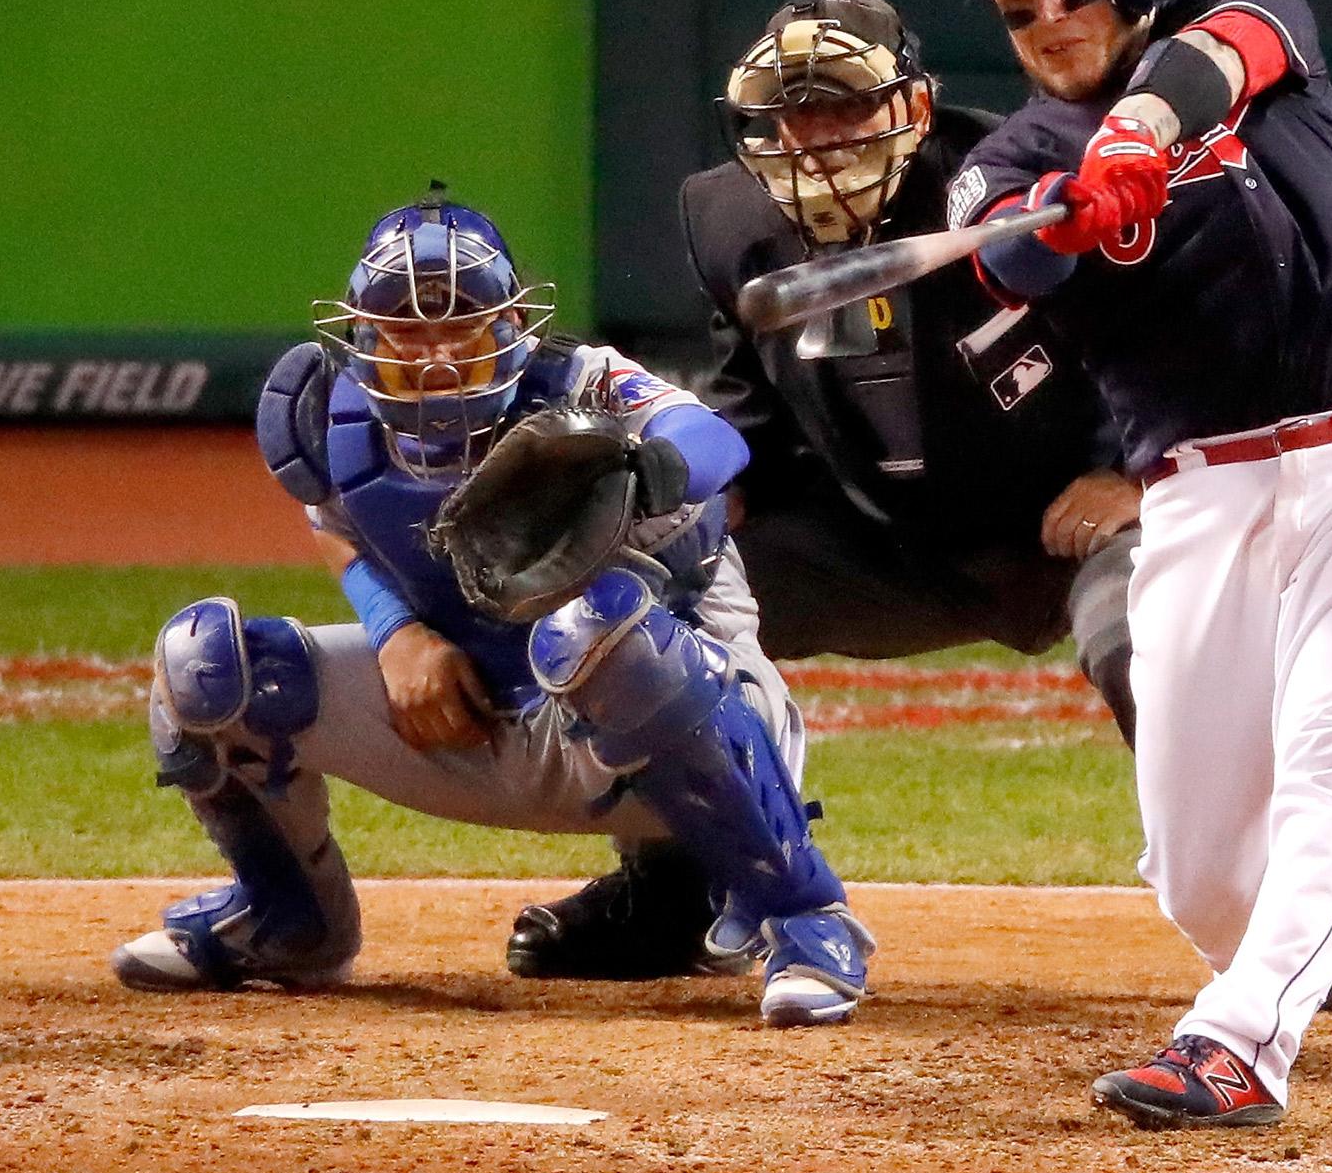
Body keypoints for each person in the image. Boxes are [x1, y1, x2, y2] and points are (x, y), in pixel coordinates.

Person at [949, 0, 1332, 1126]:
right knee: (1193, 870)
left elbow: (1229, 50)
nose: (1047, 26)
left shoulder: (1233, 7)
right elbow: (1004, 252)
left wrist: (1138, 131)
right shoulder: (1008, 157)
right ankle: (1295, 938)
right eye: (1019, 12)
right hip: (1198, 498)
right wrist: (1061, 218)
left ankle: (1239, 1042)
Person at [109, 188, 873, 1028]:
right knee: (204, 664)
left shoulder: (583, 384)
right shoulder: (329, 415)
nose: (433, 349)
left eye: (459, 322)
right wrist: (397, 634)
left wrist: (649, 466)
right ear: (361, 332)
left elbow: (715, 441)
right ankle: (290, 922)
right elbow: (339, 529)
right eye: (404, 325)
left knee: (602, 630)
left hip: (679, 725)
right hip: (471, 716)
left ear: (511, 325)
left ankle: (803, 919)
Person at [508, 0, 1145, 979]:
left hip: (1075, 521)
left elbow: (1164, 335)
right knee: (655, 604)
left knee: (1156, 640)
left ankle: (1282, 916)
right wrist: (682, 508)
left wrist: (1131, 470)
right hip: (882, 544)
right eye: (793, 111)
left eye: (844, 105)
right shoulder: (725, 217)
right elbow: (745, 402)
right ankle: (672, 888)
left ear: (914, 111)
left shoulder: (1011, 180)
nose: (817, 138)